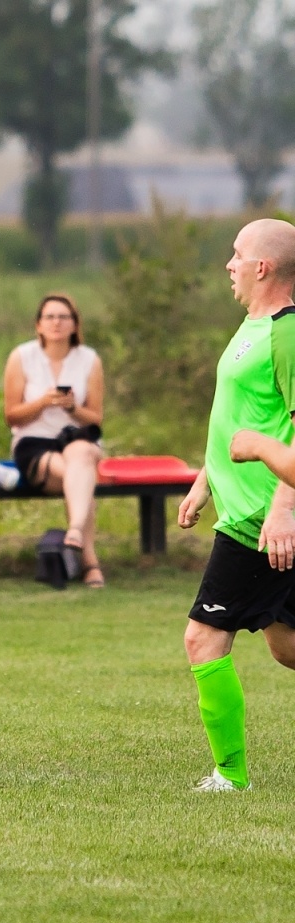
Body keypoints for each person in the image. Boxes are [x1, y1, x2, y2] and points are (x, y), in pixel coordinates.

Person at [176, 218, 295, 793]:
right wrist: (206, 478)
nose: (229, 263)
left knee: (202, 637)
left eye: (237, 254)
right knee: (286, 646)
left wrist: (283, 509)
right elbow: (241, 418)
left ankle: (230, 775)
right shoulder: (252, 325)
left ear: (263, 267)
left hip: (262, 518)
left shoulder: (288, 334)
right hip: (247, 505)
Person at [3, 295, 106, 587]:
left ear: (74, 324)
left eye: (64, 317)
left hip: (76, 440)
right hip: (34, 442)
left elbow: (96, 418)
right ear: (38, 324)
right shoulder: (22, 356)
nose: (57, 323)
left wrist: (72, 407)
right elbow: (12, 416)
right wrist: (43, 402)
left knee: (83, 456)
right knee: (81, 476)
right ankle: (90, 563)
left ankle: (74, 532)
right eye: (50, 317)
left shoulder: (89, 359)